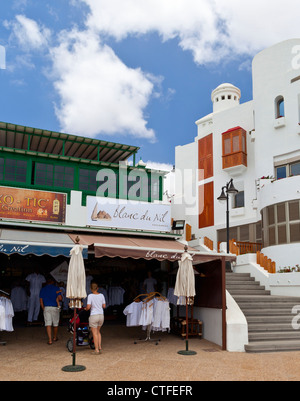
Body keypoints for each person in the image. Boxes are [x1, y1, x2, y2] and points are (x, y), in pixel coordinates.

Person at [39, 277, 62, 345]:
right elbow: (60, 298)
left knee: (48, 324)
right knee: (55, 323)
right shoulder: (56, 288)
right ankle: (54, 337)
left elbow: (41, 301)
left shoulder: (43, 289)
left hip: (47, 307)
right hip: (55, 307)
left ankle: (50, 340)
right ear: (53, 282)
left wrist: (43, 308)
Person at [85, 282, 106, 355]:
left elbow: (88, 307)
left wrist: (85, 309)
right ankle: (99, 347)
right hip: (101, 315)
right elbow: (104, 306)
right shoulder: (102, 295)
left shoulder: (90, 296)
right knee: (98, 332)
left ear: (91, 289)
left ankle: (96, 350)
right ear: (98, 288)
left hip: (94, 315)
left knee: (94, 333)